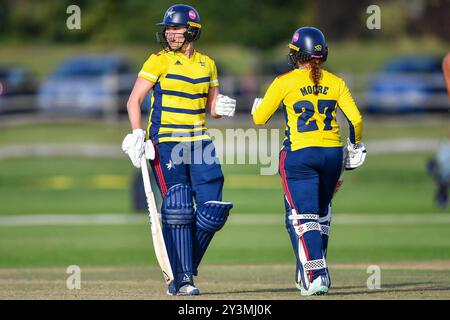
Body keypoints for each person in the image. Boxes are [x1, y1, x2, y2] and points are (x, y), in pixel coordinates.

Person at [122, 4, 235, 296]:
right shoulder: (158, 60)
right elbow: (134, 100)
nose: (171, 34)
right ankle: (184, 279)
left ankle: (180, 266)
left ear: (192, 31)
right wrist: (137, 134)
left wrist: (221, 108)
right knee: (179, 207)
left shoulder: (208, 64)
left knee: (213, 209)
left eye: (177, 29)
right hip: (166, 141)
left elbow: (212, 107)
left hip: (200, 142)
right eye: (168, 29)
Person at [252, 27, 366, 296]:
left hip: (300, 155)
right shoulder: (336, 82)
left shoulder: (284, 81)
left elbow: (259, 119)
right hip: (332, 155)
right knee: (321, 213)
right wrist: (354, 145)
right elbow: (356, 120)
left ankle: (317, 275)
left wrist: (258, 106)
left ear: (296, 55)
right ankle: (310, 271)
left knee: (303, 216)